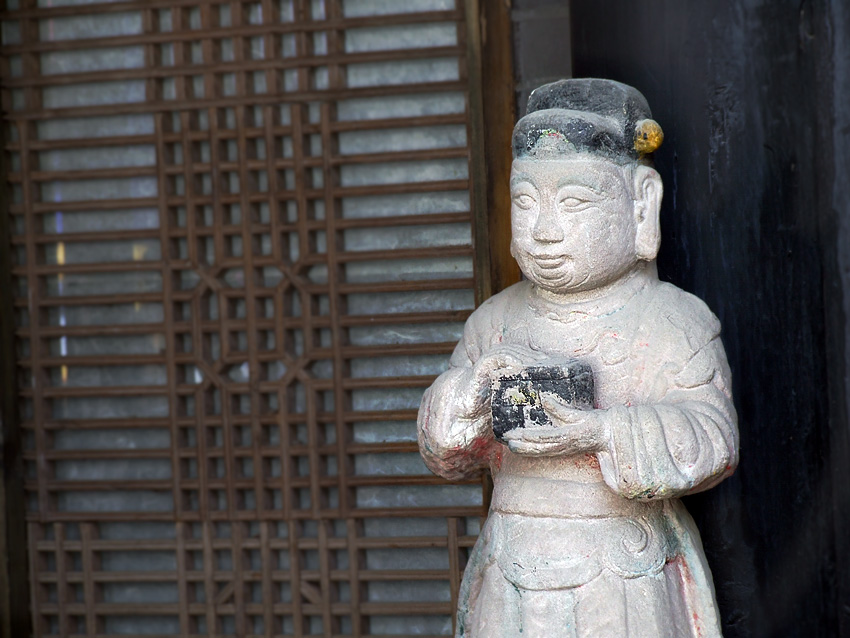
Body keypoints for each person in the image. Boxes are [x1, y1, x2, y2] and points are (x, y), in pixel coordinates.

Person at [417, 78, 739, 638]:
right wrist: (469, 395)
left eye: (574, 202)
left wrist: (601, 433)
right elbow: (443, 453)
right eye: (525, 201)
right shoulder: (493, 322)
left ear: (642, 204)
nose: (544, 231)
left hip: (622, 566)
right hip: (511, 561)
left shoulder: (673, 320)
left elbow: (714, 440)